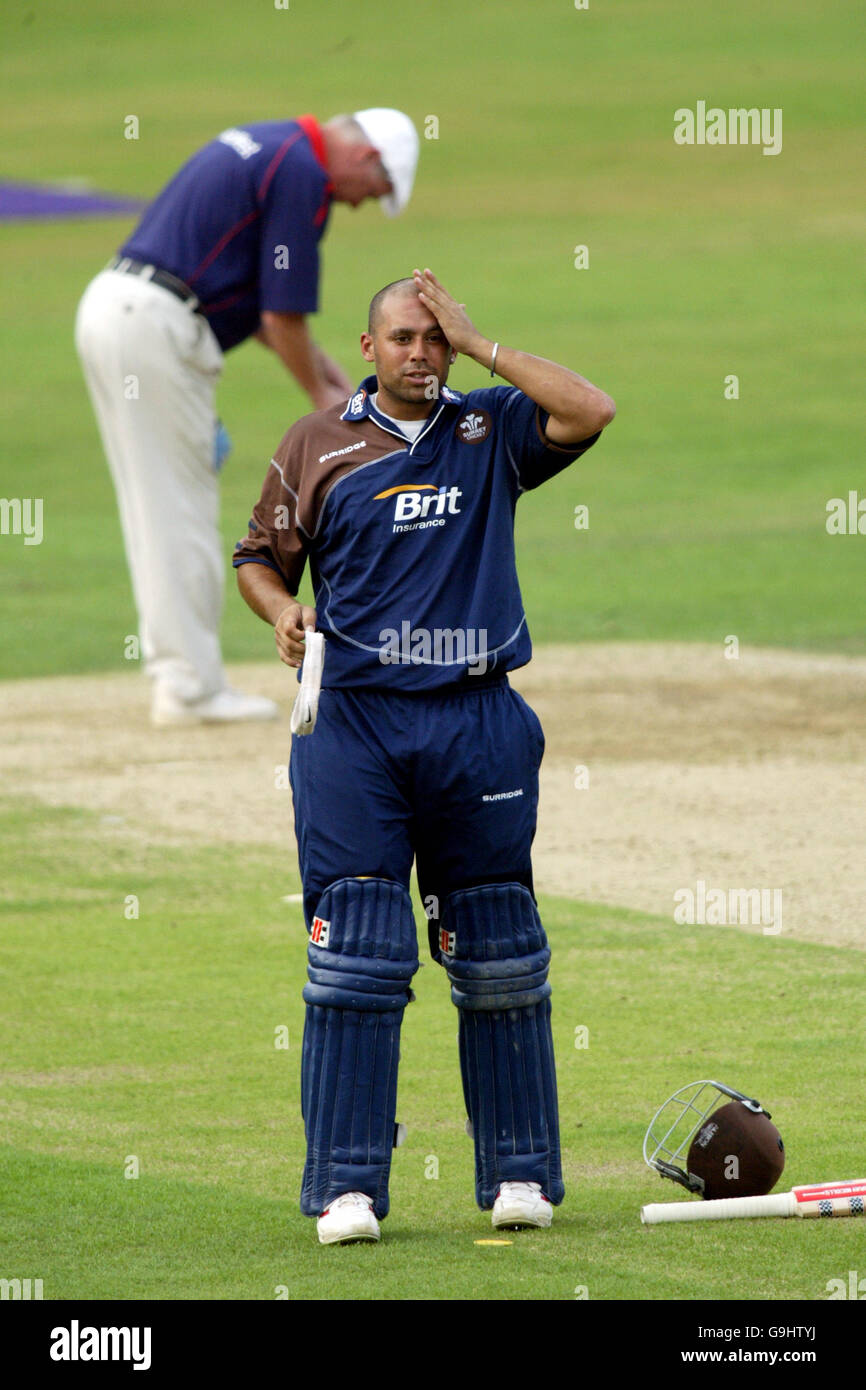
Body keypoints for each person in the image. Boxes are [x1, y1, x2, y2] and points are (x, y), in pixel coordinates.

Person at [234, 268, 615, 1243]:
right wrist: (284, 615)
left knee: (497, 952)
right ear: (366, 349)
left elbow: (589, 408)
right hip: (354, 725)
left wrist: (482, 343)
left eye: (433, 337)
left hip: (477, 719)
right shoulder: (314, 443)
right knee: (358, 951)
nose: (420, 351)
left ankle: (520, 1177)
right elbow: (258, 560)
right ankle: (348, 1189)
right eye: (403, 336)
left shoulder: (490, 430)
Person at [75, 110, 419, 725]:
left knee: (157, 504)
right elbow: (282, 314)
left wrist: (334, 381)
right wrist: (327, 402)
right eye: (377, 191)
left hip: (121, 310)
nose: (365, 204)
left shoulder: (276, 143)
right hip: (153, 328)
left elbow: (267, 313)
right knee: (175, 509)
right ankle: (188, 688)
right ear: (368, 159)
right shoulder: (302, 172)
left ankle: (181, 678)